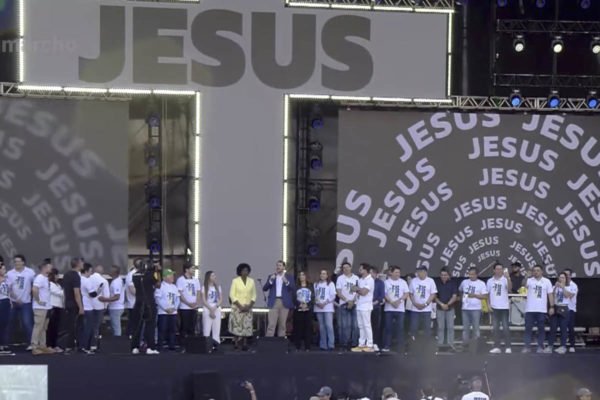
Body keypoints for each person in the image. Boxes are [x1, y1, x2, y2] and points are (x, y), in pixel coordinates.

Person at [131, 259, 161, 355]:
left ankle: (135, 347)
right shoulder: (152, 274)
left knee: (137, 326)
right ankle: (150, 347)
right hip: (149, 302)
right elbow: (158, 284)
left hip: (138, 302)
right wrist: (157, 271)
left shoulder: (134, 275)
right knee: (150, 325)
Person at [522, 264, 555, 353]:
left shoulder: (547, 281)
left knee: (541, 329)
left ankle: (540, 346)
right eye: (534, 270)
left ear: (542, 272)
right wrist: (526, 277)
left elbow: (550, 294)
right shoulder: (529, 280)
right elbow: (523, 285)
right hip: (530, 309)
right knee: (528, 328)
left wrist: (552, 306)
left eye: (538, 270)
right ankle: (527, 347)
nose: (536, 272)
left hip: (541, 310)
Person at [6, 254, 35, 349]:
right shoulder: (10, 273)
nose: (17, 263)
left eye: (19, 261)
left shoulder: (30, 272)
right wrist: (15, 298)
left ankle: (31, 343)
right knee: (9, 323)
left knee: (27, 323)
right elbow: (8, 288)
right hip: (13, 302)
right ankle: (5, 344)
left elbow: (34, 285)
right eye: (15, 262)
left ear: (23, 262)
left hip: (26, 302)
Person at [57, 258, 84, 354]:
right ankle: (71, 346)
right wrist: (80, 307)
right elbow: (76, 292)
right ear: (77, 264)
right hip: (74, 304)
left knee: (69, 326)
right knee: (75, 326)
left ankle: (69, 345)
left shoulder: (66, 275)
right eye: (81, 263)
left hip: (68, 303)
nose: (83, 264)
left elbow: (65, 291)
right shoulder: (76, 276)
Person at [263, 260, 295, 338]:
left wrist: (286, 282)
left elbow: (293, 289)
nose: (278, 267)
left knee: (282, 324)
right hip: (274, 301)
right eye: (277, 265)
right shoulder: (272, 276)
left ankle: (281, 343)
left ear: (284, 267)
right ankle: (269, 342)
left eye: (280, 265)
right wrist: (271, 280)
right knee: (271, 324)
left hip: (284, 302)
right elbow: (265, 288)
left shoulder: (289, 277)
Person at [229, 263, 256, 351]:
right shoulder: (235, 281)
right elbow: (232, 295)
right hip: (238, 307)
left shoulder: (251, 281)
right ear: (240, 271)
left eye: (247, 270)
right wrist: (240, 306)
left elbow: (254, 295)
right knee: (237, 325)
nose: (246, 272)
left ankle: (245, 343)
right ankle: (236, 343)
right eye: (244, 270)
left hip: (247, 307)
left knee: (246, 326)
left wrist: (249, 306)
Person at [382, 266, 409, 353]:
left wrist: (399, 301)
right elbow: (384, 294)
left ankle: (400, 347)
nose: (398, 274)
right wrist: (391, 302)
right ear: (391, 273)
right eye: (396, 272)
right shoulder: (386, 282)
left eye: (399, 272)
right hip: (389, 308)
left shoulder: (403, 282)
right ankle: (387, 346)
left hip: (400, 309)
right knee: (388, 328)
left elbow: (406, 293)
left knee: (400, 328)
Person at [459, 267, 488, 348]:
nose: (471, 276)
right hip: (465, 308)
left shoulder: (481, 283)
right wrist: (462, 299)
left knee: (476, 328)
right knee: (465, 328)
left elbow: (485, 296)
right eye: (469, 274)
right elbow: (460, 290)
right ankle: (465, 345)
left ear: (476, 274)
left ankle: (476, 345)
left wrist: (475, 295)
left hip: (476, 309)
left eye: (472, 274)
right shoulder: (464, 282)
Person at [487, 263, 512, 354]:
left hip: (504, 307)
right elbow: (488, 294)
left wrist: (508, 278)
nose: (499, 271)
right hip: (494, 307)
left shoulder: (505, 279)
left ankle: (508, 347)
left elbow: (510, 289)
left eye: (501, 269)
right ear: (494, 270)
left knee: (505, 327)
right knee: (495, 328)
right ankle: (497, 346)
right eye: (497, 269)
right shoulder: (490, 281)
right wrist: (488, 305)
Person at [31, 260, 53, 355]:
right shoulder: (39, 277)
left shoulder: (45, 278)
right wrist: (38, 300)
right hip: (40, 307)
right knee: (38, 326)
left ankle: (42, 345)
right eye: (49, 266)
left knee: (44, 327)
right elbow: (34, 289)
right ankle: (34, 346)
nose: (51, 267)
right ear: (44, 268)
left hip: (46, 307)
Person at [409, 266, 437, 339]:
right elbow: (411, 294)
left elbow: (433, 294)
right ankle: (413, 342)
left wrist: (425, 304)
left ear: (424, 272)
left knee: (427, 327)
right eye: (417, 271)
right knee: (414, 326)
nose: (417, 273)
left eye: (419, 271)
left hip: (426, 309)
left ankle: (426, 344)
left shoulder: (431, 281)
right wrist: (415, 303)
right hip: (415, 309)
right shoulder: (413, 281)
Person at [352, 263, 375, 352]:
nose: (359, 270)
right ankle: (361, 344)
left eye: (361, 269)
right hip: (359, 305)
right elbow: (356, 290)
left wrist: (357, 289)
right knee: (361, 326)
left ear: (365, 270)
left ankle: (369, 344)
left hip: (366, 306)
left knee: (367, 325)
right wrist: (358, 289)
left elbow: (364, 292)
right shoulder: (360, 280)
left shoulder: (370, 280)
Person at [89, 265, 113, 350]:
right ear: (102, 272)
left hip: (88, 306)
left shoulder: (88, 278)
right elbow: (106, 295)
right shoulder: (104, 281)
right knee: (96, 326)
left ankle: (85, 344)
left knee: (88, 325)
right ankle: (93, 344)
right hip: (99, 306)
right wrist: (106, 306)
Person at [336, 262, 359, 350]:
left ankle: (354, 344)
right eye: (344, 268)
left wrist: (352, 301)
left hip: (355, 303)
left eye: (347, 267)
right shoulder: (340, 278)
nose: (346, 269)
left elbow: (358, 291)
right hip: (344, 303)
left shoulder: (356, 278)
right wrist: (347, 300)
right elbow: (338, 292)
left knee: (355, 325)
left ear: (351, 268)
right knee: (345, 325)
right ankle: (345, 344)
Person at [155, 268, 180, 351]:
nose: (173, 277)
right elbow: (158, 299)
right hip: (163, 312)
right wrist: (166, 308)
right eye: (170, 275)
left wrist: (174, 308)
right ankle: (160, 345)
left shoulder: (174, 287)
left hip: (173, 312)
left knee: (172, 329)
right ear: (165, 277)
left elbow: (177, 298)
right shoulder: (160, 286)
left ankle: (171, 345)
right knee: (162, 329)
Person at [435, 267, 458, 351]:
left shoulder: (453, 283)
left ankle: (450, 345)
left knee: (450, 327)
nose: (443, 276)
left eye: (445, 275)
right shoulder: (437, 283)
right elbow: (435, 297)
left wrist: (447, 304)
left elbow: (454, 296)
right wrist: (441, 304)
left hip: (450, 308)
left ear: (448, 275)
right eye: (442, 275)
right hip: (439, 308)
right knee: (440, 327)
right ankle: (440, 345)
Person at [177, 264, 201, 340]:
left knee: (192, 326)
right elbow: (179, 293)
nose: (194, 270)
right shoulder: (180, 280)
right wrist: (187, 303)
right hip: (184, 307)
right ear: (186, 270)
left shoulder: (196, 280)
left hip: (194, 307)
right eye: (192, 268)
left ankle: (192, 343)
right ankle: (183, 343)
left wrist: (196, 302)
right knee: (184, 326)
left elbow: (198, 291)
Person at [548, 272, 570, 354]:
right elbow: (551, 296)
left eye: (563, 277)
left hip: (564, 307)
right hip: (556, 306)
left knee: (563, 328)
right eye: (560, 277)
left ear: (566, 279)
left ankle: (563, 346)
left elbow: (567, 295)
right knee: (553, 327)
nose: (561, 279)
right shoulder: (555, 287)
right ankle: (550, 346)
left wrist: (563, 287)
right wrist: (555, 288)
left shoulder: (569, 287)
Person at [314, 269, 336, 351]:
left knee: (329, 326)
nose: (322, 275)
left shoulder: (330, 284)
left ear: (327, 275)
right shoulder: (316, 284)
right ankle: (323, 344)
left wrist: (324, 303)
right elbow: (314, 295)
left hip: (328, 308)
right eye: (321, 273)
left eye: (324, 274)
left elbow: (333, 295)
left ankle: (331, 344)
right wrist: (317, 303)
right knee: (322, 327)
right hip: (318, 308)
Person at [293, 270, 313, 351]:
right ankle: (297, 346)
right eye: (300, 275)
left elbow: (313, 297)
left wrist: (307, 305)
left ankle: (307, 347)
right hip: (298, 310)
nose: (301, 277)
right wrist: (299, 304)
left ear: (306, 276)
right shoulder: (296, 286)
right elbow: (293, 298)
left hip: (308, 310)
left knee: (307, 329)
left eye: (303, 275)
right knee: (298, 329)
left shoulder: (311, 286)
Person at [201, 270, 222, 350]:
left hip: (216, 308)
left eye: (214, 275)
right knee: (207, 327)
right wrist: (210, 309)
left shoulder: (218, 287)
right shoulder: (204, 287)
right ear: (208, 277)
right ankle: (206, 345)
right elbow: (204, 300)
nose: (214, 277)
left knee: (216, 327)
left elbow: (220, 299)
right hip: (207, 308)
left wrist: (215, 307)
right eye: (212, 276)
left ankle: (216, 344)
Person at [79, 263, 96, 354]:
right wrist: (98, 291)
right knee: (88, 328)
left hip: (81, 306)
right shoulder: (86, 281)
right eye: (90, 271)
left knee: (82, 327)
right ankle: (86, 347)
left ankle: (81, 346)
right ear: (86, 271)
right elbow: (92, 294)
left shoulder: (78, 279)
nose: (91, 273)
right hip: (88, 307)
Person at [46, 268, 63, 352]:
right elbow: (59, 293)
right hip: (52, 307)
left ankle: (54, 345)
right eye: (56, 275)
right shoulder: (50, 284)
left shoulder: (58, 285)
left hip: (58, 307)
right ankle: (49, 345)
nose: (57, 276)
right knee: (51, 328)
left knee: (56, 328)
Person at [370, 266, 385, 351]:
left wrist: (374, 303)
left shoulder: (380, 283)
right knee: (367, 326)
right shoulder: (366, 282)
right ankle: (367, 343)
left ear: (376, 274)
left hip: (376, 307)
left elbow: (381, 296)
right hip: (366, 308)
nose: (371, 274)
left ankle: (375, 343)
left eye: (372, 273)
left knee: (376, 326)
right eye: (370, 273)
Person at [564, 268, 578, 353]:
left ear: (570, 275)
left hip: (570, 309)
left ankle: (572, 345)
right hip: (561, 308)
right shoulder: (561, 284)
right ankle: (563, 344)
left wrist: (562, 288)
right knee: (562, 327)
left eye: (567, 274)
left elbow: (569, 296)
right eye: (564, 274)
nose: (566, 276)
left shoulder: (574, 285)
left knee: (570, 328)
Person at [108, 266, 125, 336]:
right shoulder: (117, 280)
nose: (108, 271)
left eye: (110, 270)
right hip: (115, 307)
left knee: (116, 328)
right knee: (114, 327)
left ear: (113, 272)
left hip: (116, 308)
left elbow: (117, 296)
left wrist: (104, 299)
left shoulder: (116, 283)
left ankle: (118, 343)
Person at [124, 262, 139, 337]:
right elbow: (132, 289)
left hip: (138, 303)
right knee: (133, 323)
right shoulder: (132, 274)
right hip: (133, 303)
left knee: (137, 324)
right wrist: (142, 294)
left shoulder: (138, 273)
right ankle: (129, 340)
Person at [0, 259, 11, 353]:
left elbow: (8, 292)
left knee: (5, 324)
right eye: (3, 269)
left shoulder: (6, 279)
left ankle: (4, 344)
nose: (4, 271)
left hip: (6, 301)